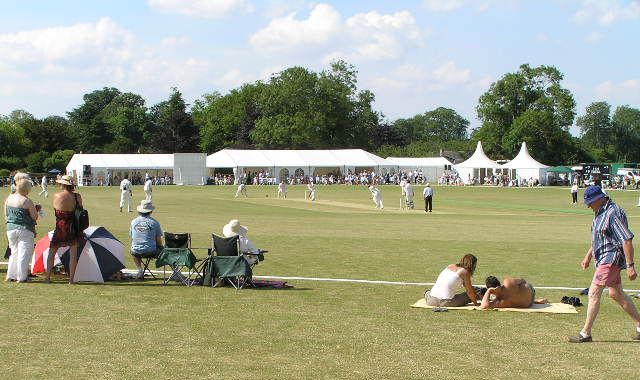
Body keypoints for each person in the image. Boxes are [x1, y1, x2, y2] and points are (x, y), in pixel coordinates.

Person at [569, 185, 640, 343]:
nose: (588, 205)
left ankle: (586, 333)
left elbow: (626, 239)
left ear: (600, 199)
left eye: (591, 202)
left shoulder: (612, 212)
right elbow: (598, 238)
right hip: (602, 258)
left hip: (611, 258)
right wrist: (587, 257)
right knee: (616, 294)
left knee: (594, 291)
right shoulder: (599, 213)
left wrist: (630, 266)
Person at [45, 175, 84, 284]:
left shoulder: (57, 195)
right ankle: (71, 280)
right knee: (73, 254)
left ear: (62, 184)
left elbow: (56, 209)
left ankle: (47, 278)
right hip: (72, 227)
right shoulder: (77, 197)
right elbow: (80, 211)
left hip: (60, 226)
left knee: (52, 252)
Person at [4, 173, 39, 282]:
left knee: (14, 252)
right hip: (24, 229)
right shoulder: (26, 201)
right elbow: (35, 216)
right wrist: (36, 209)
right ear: (27, 189)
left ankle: (11, 275)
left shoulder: (9, 198)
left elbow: (6, 213)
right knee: (24, 253)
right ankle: (22, 277)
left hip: (10, 228)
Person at [130, 200, 163, 280]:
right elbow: (158, 240)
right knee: (165, 251)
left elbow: (132, 236)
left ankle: (140, 270)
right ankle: (176, 272)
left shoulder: (133, 222)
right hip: (151, 250)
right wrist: (161, 248)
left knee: (133, 249)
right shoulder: (154, 222)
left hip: (136, 251)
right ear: (150, 211)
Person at [479, 277, 547, 309]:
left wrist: (488, 291)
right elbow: (523, 280)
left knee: (514, 296)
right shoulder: (508, 282)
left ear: (491, 291)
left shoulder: (499, 303)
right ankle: (536, 301)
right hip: (531, 294)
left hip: (528, 304)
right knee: (515, 294)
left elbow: (483, 306)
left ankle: (536, 301)